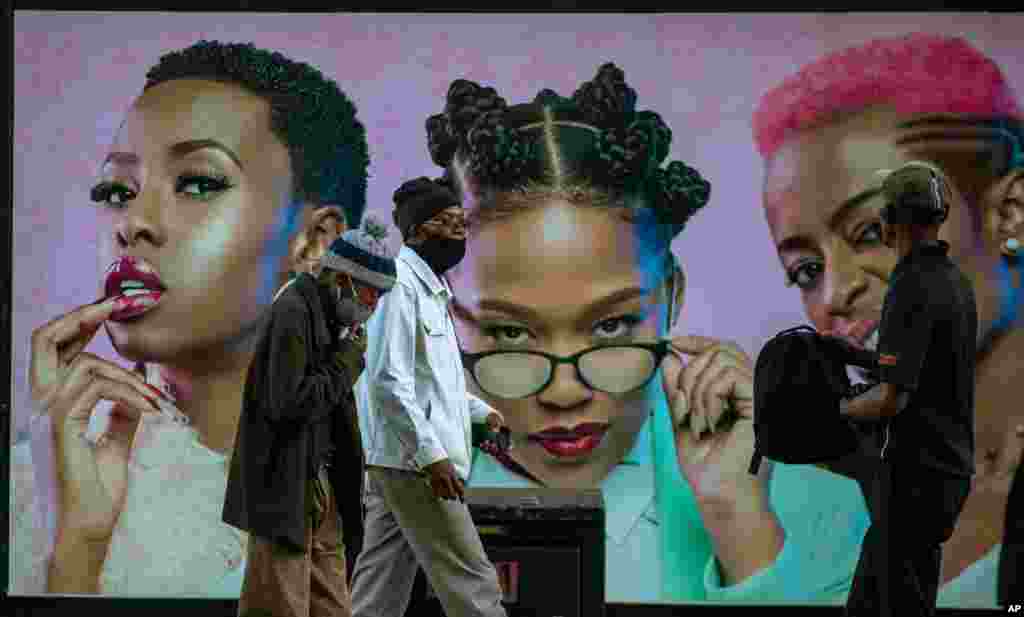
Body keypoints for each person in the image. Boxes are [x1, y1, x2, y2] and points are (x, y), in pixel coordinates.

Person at [418, 64, 864, 604]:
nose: (563, 394)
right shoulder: (383, 493)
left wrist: (737, 516)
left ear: (671, 297)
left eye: (610, 326)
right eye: (511, 333)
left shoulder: (826, 511)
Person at [11, 39, 370, 597]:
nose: (132, 223)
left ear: (314, 240)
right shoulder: (36, 482)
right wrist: (76, 541)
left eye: (198, 183)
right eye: (116, 190)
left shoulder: (380, 476)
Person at [753, 33, 1024, 608]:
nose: (834, 293)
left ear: (1009, 212)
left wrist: (823, 418)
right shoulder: (814, 493)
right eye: (805, 269)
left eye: (874, 232)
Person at [349, 178, 508, 617]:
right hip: (416, 465)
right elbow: (386, 379)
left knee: (379, 587)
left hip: (399, 461)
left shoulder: (431, 289)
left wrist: (483, 413)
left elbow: (432, 384)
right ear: (417, 230)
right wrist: (430, 456)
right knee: (473, 581)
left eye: (461, 222)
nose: (459, 231)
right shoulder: (399, 285)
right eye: (445, 221)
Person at [224, 217, 396, 617]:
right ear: (342, 280)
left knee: (333, 605)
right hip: (286, 484)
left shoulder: (334, 319)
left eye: (380, 297)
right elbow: (291, 403)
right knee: (281, 606)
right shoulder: (292, 310)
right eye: (370, 293)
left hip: (322, 485)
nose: (373, 306)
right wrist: (349, 361)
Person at [827, 162, 977, 616]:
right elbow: (926, 370)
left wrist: (838, 408)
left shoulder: (911, 285)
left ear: (891, 220)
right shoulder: (953, 281)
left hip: (917, 480)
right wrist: (858, 357)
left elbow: (893, 397)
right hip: (942, 475)